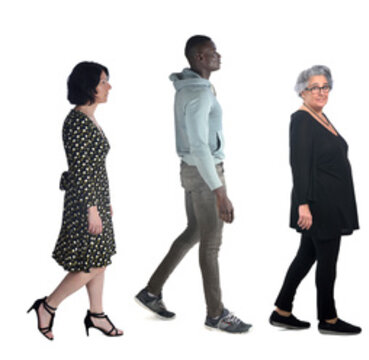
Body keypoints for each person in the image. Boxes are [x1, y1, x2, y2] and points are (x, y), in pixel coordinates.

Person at [135, 35, 251, 333]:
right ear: (200, 57)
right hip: (205, 173)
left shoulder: (189, 88)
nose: (219, 56)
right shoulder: (199, 94)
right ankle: (216, 313)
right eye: (213, 52)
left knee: (194, 231)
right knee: (211, 243)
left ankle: (151, 292)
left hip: (191, 171)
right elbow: (200, 146)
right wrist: (220, 192)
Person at [28, 61, 124, 340]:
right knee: (89, 264)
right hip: (84, 203)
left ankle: (96, 314)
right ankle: (47, 306)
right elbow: (81, 170)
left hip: (95, 198)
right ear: (89, 86)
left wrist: (104, 201)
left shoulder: (89, 118)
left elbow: (94, 167)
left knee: (100, 259)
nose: (108, 86)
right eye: (103, 81)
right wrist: (92, 210)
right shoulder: (77, 123)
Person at [268, 65, 362, 335]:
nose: (321, 92)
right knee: (327, 262)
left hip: (330, 203)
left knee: (305, 257)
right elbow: (299, 164)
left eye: (325, 87)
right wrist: (303, 204)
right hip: (318, 205)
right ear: (302, 92)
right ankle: (328, 319)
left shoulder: (320, 117)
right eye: (314, 87)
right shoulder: (301, 120)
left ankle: (282, 310)